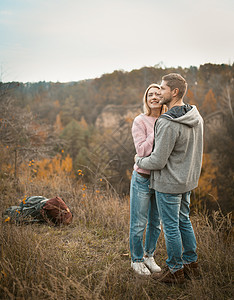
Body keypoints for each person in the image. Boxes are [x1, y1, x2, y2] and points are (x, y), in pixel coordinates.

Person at [135, 73, 203, 283]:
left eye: (163, 88)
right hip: (187, 181)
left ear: (174, 92)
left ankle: (175, 270)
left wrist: (139, 160)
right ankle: (191, 263)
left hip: (169, 183)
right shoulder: (195, 116)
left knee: (171, 226)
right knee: (184, 221)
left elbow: (156, 161)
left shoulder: (167, 122)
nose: (159, 92)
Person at [130, 83, 167, 276]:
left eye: (157, 94)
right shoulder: (140, 120)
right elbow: (142, 151)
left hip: (162, 178)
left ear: (164, 98)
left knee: (156, 222)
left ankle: (148, 256)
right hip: (142, 178)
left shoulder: (169, 120)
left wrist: (164, 121)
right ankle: (136, 259)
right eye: (150, 94)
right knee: (138, 223)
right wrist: (158, 126)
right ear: (146, 99)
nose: (154, 97)